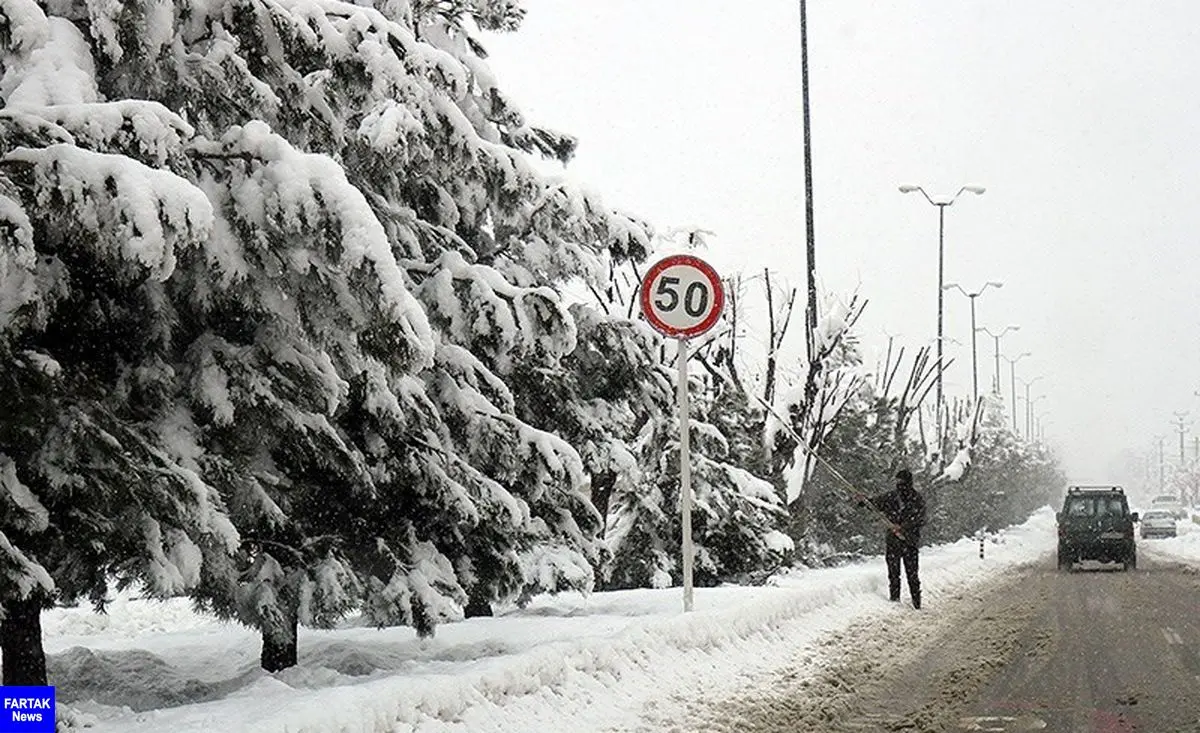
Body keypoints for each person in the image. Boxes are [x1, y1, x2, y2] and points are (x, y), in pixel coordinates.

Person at [859, 468, 927, 609]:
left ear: (908, 482)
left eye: (901, 481)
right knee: (893, 573)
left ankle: (916, 601)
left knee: (912, 574)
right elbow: (874, 504)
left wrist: (902, 527)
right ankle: (894, 599)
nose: (899, 484)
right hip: (893, 541)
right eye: (897, 481)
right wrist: (863, 501)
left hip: (909, 542)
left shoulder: (917, 499)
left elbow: (920, 519)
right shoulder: (891, 497)